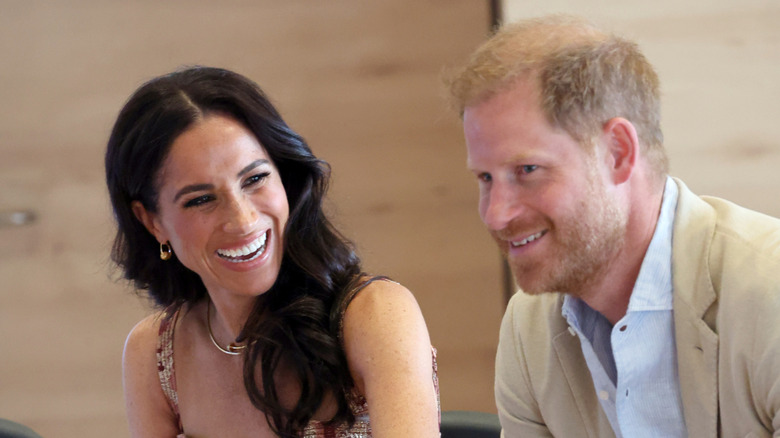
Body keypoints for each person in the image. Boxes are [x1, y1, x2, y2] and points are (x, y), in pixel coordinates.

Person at [445, 14, 780, 438]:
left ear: (617, 152)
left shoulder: (770, 293)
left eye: (527, 169)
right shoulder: (527, 331)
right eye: (485, 179)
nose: (496, 214)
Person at [105, 66, 440, 437]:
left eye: (255, 178)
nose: (243, 219)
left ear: (285, 177)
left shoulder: (375, 315)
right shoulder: (154, 354)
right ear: (152, 221)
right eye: (201, 199)